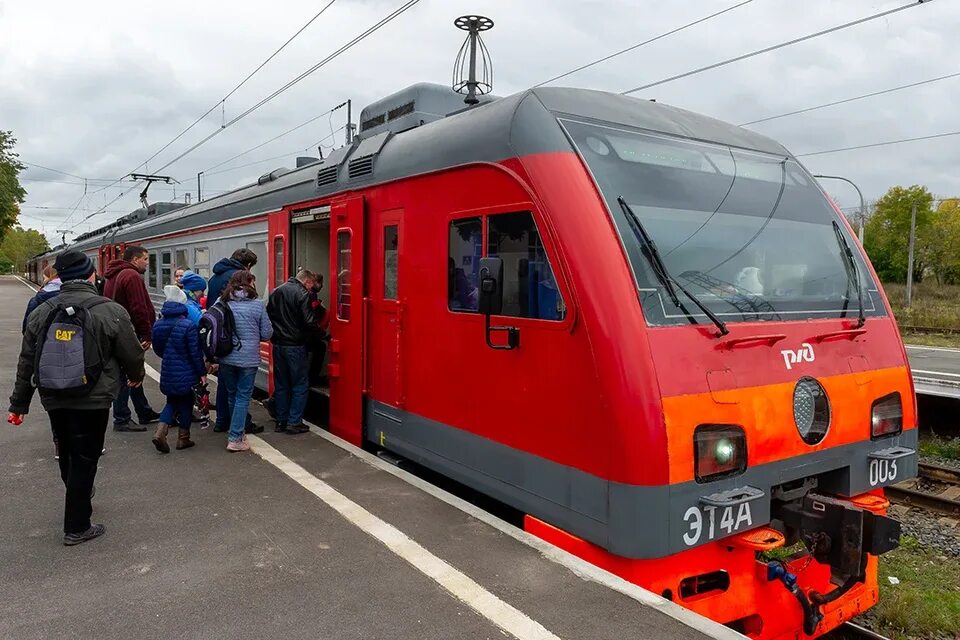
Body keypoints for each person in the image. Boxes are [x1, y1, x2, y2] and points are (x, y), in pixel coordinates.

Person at [8, 249, 145, 546]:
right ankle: (77, 525)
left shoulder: (42, 310)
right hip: (93, 398)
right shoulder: (110, 310)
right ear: (89, 275)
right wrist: (137, 376)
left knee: (67, 449)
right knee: (86, 455)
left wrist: (19, 404)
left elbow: (27, 360)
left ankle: (77, 494)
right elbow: (132, 353)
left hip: (54, 395)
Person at [103, 245, 160, 431]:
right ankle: (121, 418)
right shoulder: (132, 276)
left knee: (133, 372)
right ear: (135, 259)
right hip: (128, 333)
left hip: (117, 330)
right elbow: (138, 307)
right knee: (126, 375)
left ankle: (143, 411)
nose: (146, 263)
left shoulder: (114, 274)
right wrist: (146, 333)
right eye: (145, 259)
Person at [207, 248, 263, 435]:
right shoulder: (238, 280)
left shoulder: (215, 277)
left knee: (226, 385)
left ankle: (222, 421)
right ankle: (239, 429)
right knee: (241, 394)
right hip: (237, 345)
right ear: (247, 267)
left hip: (220, 341)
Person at [217, 271, 272, 452]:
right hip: (248, 359)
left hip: (225, 356)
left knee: (233, 395)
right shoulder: (257, 305)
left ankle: (237, 434)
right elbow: (266, 334)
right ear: (250, 283)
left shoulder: (222, 302)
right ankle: (235, 438)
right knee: (242, 397)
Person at [150, 286, 207, 454]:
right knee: (186, 402)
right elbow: (195, 353)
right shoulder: (188, 325)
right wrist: (202, 372)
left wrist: (169, 356)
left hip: (168, 369)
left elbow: (158, 349)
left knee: (172, 401)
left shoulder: (158, 324)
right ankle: (183, 438)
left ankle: (161, 431)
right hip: (187, 370)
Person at [267, 269, 318, 434]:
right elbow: (309, 321)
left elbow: (269, 315)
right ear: (307, 282)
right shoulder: (303, 294)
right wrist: (320, 334)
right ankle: (294, 421)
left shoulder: (277, 291)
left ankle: (281, 421)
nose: (311, 289)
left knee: (281, 385)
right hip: (295, 346)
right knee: (300, 384)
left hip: (278, 345)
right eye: (311, 285)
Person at [23, 266, 61, 332]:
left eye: (44, 278)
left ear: (49, 278)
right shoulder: (74, 295)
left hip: (43, 338)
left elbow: (27, 326)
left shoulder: (37, 299)